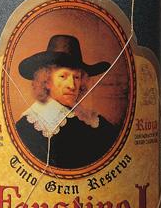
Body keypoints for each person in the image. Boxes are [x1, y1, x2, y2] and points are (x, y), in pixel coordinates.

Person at [14, 34, 120, 169]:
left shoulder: (94, 121)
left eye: (76, 77)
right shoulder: (28, 127)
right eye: (63, 76)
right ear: (46, 81)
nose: (72, 85)